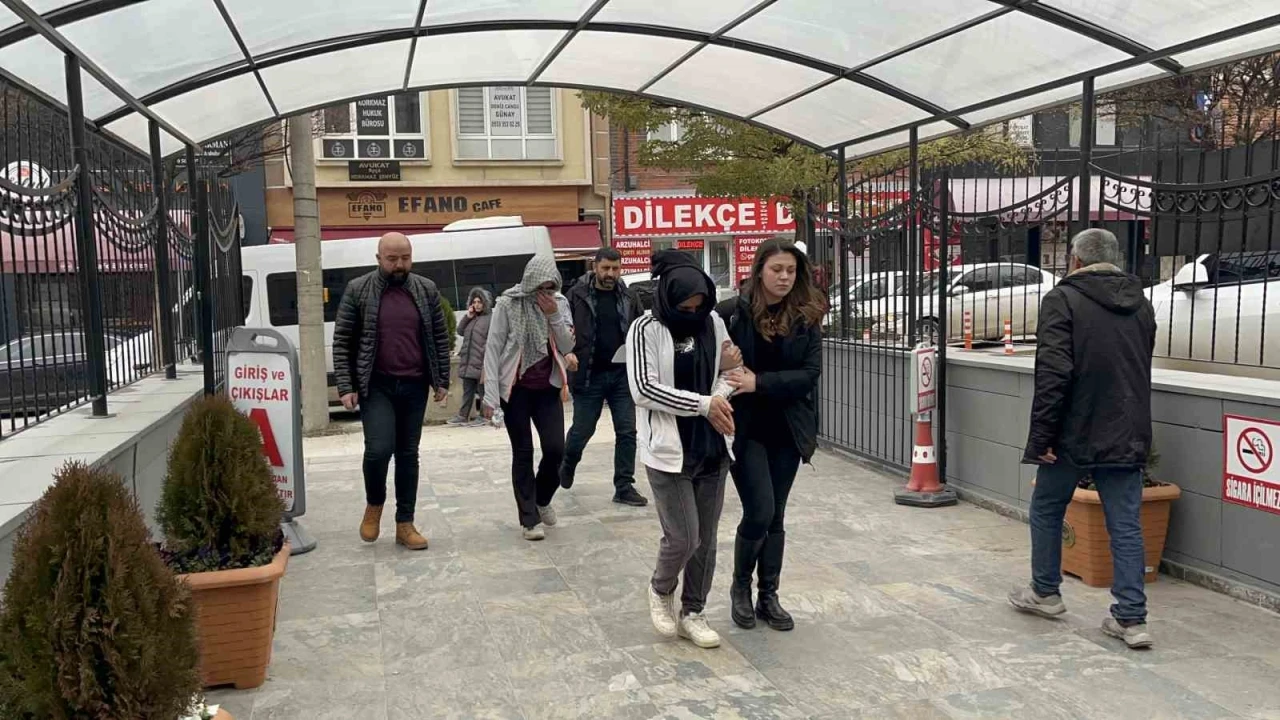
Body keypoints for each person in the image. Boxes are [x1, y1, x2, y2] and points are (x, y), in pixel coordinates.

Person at [1009, 228, 1158, 650]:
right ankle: (1131, 619)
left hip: (1072, 432)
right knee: (1125, 524)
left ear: (1075, 260)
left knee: (1047, 507)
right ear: (1115, 258)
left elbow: (1053, 373)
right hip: (1126, 429)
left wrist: (1042, 437)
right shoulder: (1141, 303)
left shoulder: (1062, 299)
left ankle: (1045, 592)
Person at [627, 249, 739, 649]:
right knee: (683, 537)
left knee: (706, 540)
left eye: (698, 306)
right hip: (668, 450)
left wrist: (719, 397)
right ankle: (661, 589)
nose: (693, 313)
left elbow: (732, 371)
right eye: (685, 307)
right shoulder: (645, 329)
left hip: (712, 446)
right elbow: (643, 389)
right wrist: (704, 404)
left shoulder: (713, 322)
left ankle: (694, 612)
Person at [717, 239, 824, 632]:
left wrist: (758, 382)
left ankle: (768, 595)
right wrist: (726, 368)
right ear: (760, 269)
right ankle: (740, 588)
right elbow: (710, 361)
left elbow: (809, 375)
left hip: (788, 429)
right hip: (745, 429)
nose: (784, 277)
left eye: (791, 271)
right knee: (759, 510)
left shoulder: (806, 316)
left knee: (776, 514)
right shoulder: (732, 313)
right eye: (777, 269)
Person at [333, 232, 451, 551]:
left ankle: (405, 524)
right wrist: (346, 386)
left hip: (414, 385)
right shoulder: (358, 289)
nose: (399, 265)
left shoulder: (426, 289)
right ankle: (374, 504)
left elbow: (439, 337)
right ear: (379, 259)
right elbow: (342, 341)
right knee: (378, 450)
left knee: (408, 454)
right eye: (392, 259)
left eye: (405, 258)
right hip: (376, 385)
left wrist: (442, 380)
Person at [482, 254, 575, 541]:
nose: (545, 294)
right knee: (523, 452)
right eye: (540, 288)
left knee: (556, 449)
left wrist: (553, 316)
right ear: (530, 282)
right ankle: (529, 519)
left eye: (550, 288)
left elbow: (568, 344)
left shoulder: (559, 304)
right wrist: (490, 397)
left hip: (547, 388)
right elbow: (493, 348)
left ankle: (542, 498)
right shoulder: (507, 304)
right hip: (516, 390)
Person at [561, 247, 649, 506]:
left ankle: (624, 486)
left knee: (627, 431)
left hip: (622, 375)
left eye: (615, 269)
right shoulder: (576, 295)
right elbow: (562, 329)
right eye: (606, 268)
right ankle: (568, 461)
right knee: (583, 429)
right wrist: (567, 353)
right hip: (588, 375)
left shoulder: (629, 296)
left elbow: (640, 330)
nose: (610, 274)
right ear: (595, 267)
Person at [448, 288, 492, 426]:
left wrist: (486, 358)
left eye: (479, 302)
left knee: (483, 391)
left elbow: (492, 341)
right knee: (467, 392)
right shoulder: (471, 318)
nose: (477, 305)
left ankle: (484, 416)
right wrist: (468, 316)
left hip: (481, 362)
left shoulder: (490, 319)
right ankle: (463, 416)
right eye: (474, 302)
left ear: (485, 303)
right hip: (467, 362)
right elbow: (460, 331)